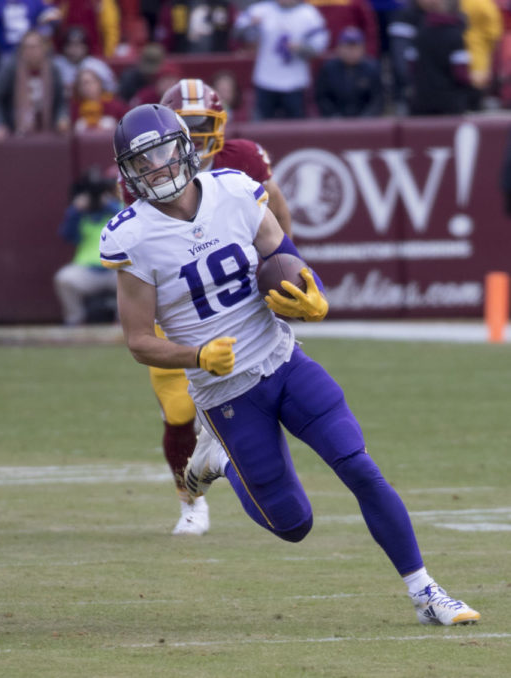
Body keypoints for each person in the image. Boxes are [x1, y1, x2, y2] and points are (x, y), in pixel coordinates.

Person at [101, 102, 481, 627]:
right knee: (293, 524)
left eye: (163, 153)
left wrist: (313, 294)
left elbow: (284, 254)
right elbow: (140, 340)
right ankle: (219, 462)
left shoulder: (234, 190)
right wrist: (196, 356)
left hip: (284, 361)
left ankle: (426, 593)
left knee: (359, 467)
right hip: (225, 393)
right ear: (128, 172)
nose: (157, 168)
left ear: (185, 150)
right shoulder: (131, 236)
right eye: (141, 163)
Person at [134, 78, 292, 536]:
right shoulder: (147, 174)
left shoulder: (241, 159)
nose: (197, 134)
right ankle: (190, 501)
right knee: (178, 412)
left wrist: (285, 263)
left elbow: (276, 206)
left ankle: (257, 470)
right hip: (180, 311)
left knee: (267, 389)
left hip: (238, 304)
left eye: (204, 124)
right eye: (186, 125)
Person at [234, 0, 329, 120]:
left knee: (295, 127)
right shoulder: (261, 10)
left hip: (295, 81)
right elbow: (236, 34)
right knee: (263, 126)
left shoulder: (309, 14)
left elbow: (319, 47)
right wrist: (251, 25)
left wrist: (300, 48)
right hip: (266, 79)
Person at [54, 166, 121, 325]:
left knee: (136, 277)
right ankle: (75, 320)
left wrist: (109, 204)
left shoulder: (114, 211)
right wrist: (75, 210)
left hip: (116, 268)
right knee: (64, 278)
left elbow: (126, 218)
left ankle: (123, 322)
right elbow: (66, 235)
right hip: (87, 270)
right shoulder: (80, 215)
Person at [0, 29, 69, 138]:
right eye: (26, 47)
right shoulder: (10, 68)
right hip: (14, 131)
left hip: (48, 131)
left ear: (43, 48)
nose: (30, 51)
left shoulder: (53, 69)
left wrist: (61, 118)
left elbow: (60, 101)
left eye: (34, 47)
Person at [314, 26, 384, 117]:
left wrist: (365, 119)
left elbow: (378, 99)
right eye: (347, 47)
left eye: (355, 47)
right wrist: (334, 117)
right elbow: (322, 97)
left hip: (366, 123)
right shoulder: (328, 68)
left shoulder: (372, 68)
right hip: (334, 122)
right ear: (338, 48)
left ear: (363, 49)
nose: (351, 51)